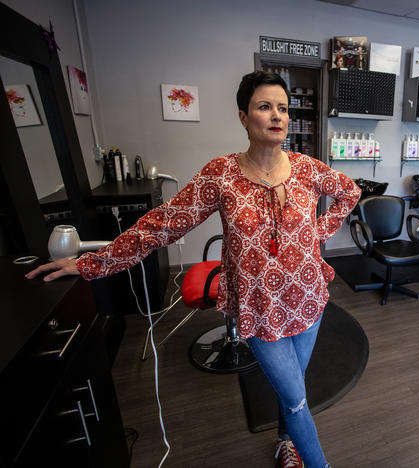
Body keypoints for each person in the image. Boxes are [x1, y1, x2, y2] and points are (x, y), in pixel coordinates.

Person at [26, 71, 361, 468]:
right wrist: (88, 264)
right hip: (259, 307)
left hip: (308, 300)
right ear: (243, 116)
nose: (277, 116)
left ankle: (286, 443)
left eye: (283, 108)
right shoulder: (221, 174)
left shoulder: (307, 168)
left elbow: (349, 192)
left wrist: (316, 234)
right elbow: (162, 224)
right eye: (264, 106)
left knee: (293, 390)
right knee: (295, 397)